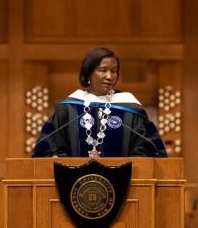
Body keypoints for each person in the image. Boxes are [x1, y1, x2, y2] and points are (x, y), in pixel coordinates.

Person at [32, 46, 167, 158]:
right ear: (89, 73)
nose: (109, 76)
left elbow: (148, 148)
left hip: (124, 182)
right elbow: (47, 148)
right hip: (74, 184)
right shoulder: (68, 108)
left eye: (114, 71)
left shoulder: (130, 107)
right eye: (103, 70)